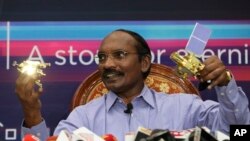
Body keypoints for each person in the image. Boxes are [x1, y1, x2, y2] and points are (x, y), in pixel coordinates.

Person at [16, 29, 250, 141]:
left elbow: (239, 133)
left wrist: (226, 85)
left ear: (144, 62)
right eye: (102, 58)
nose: (107, 64)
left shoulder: (185, 106)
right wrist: (32, 114)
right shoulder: (83, 117)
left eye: (119, 55)